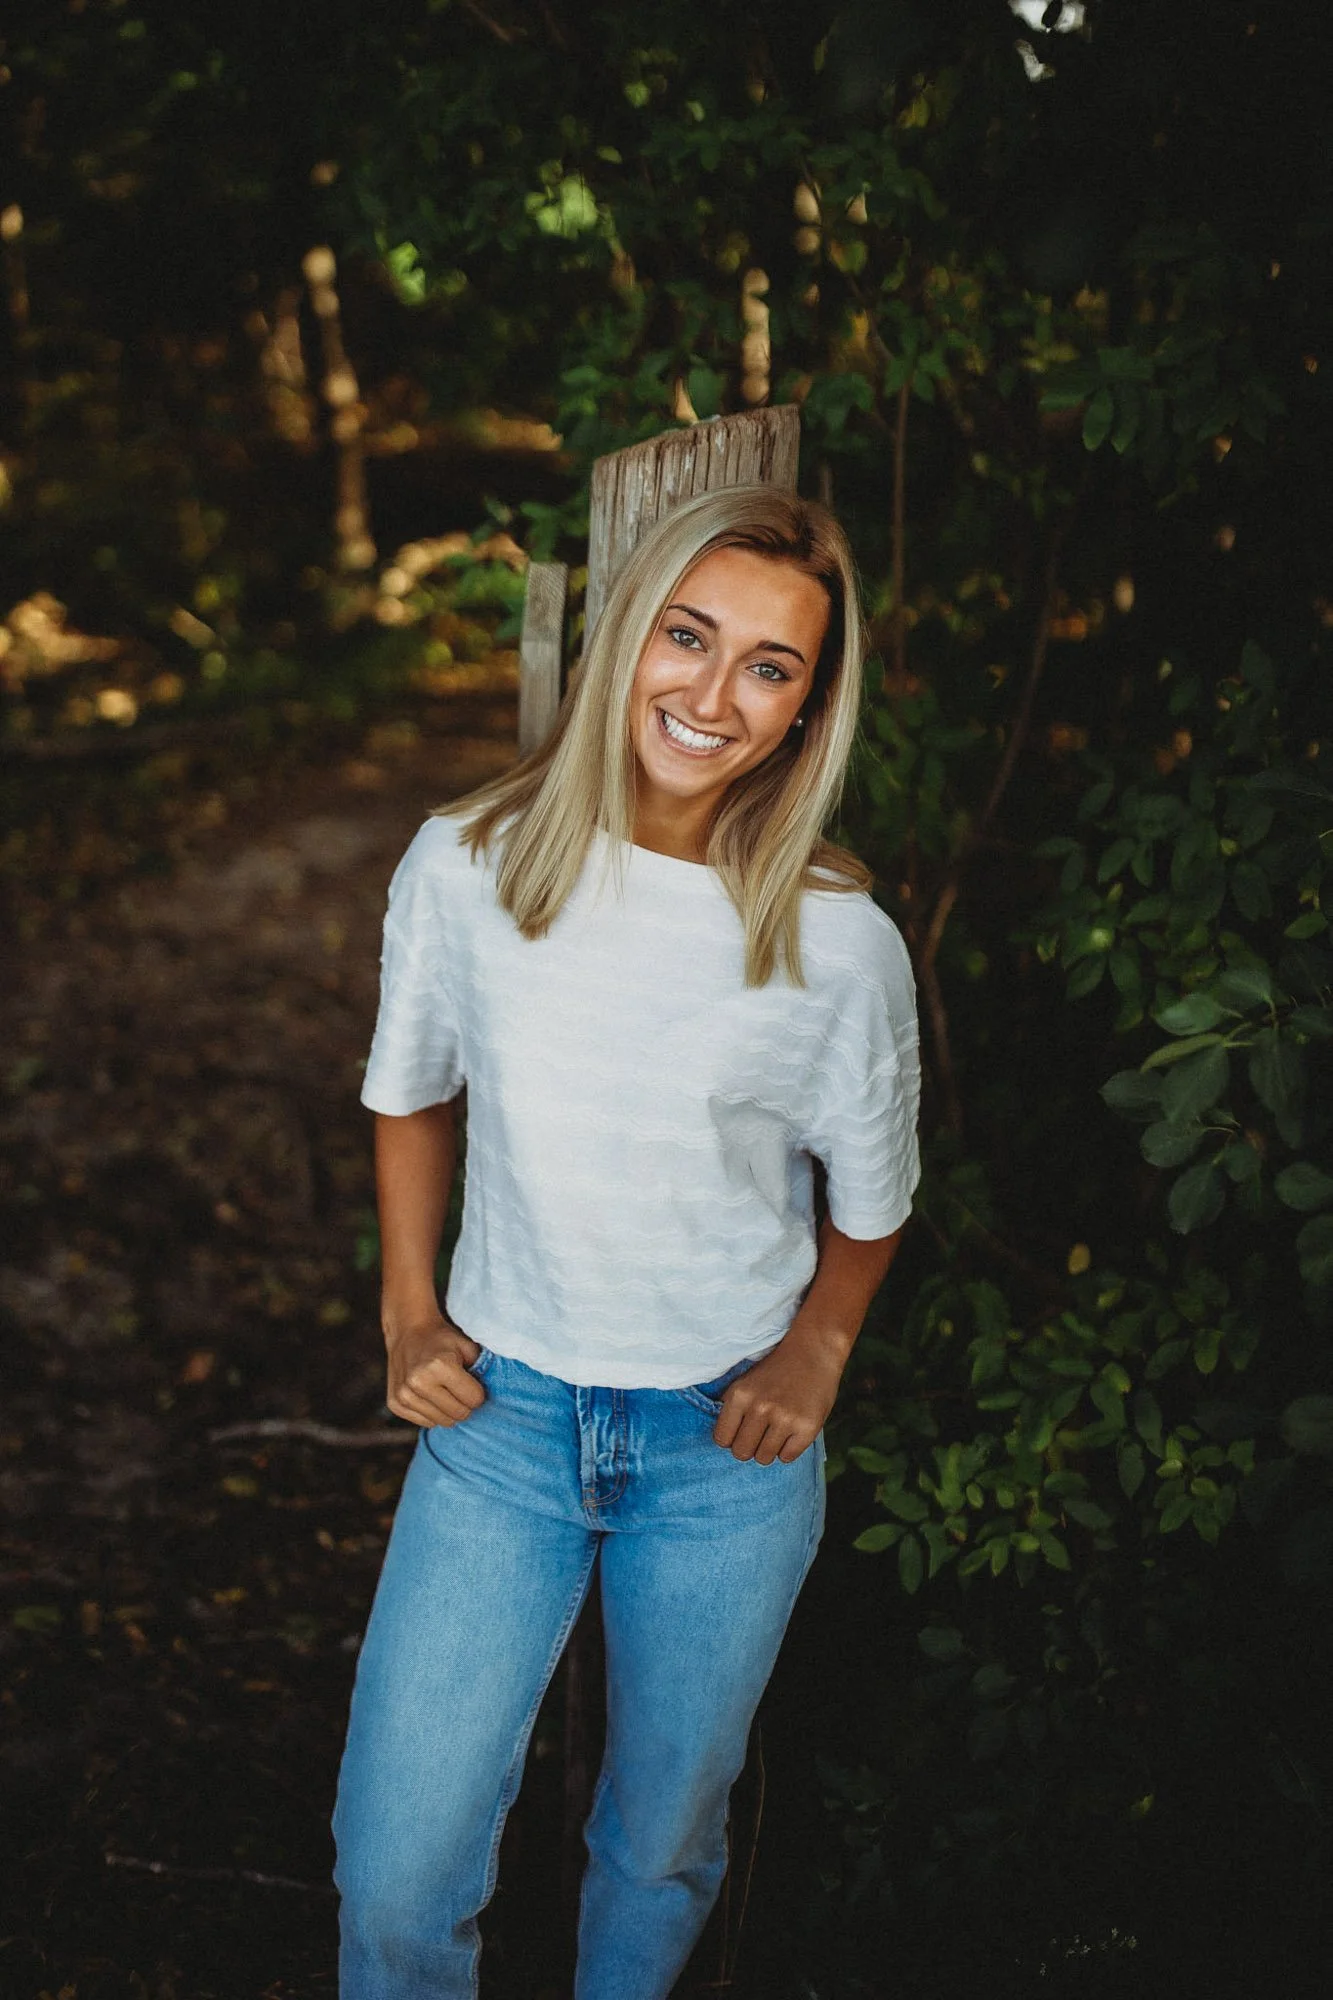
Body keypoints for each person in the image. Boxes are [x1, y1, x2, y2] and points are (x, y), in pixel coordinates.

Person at [332, 483, 922, 1999]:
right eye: (688, 635)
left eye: (770, 667)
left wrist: (819, 1346)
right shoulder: (469, 862)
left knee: (661, 1851)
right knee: (395, 1874)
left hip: (724, 1458)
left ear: (807, 711)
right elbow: (411, 1093)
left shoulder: (838, 943)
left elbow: (872, 1198)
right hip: (503, 1427)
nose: (714, 696)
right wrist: (410, 1313)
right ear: (626, 639)